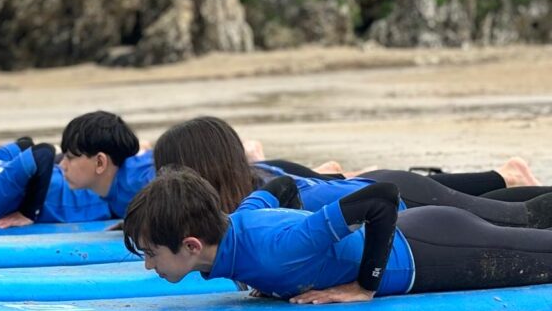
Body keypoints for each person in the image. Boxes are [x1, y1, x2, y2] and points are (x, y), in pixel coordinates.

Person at [123, 166, 552, 305]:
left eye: (151, 253)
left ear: (192, 245)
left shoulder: (278, 250)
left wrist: (363, 285)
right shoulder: (238, 222)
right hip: (426, 236)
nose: (147, 265)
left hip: (437, 251)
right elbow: (276, 190)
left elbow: (381, 198)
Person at [153, 115, 552, 229]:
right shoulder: (241, 195)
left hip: (394, 193)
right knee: (490, 212)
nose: (162, 183)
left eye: (167, 171)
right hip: (382, 189)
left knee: (512, 217)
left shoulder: (261, 197)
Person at [58, 111, 153, 218]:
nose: (62, 165)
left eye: (70, 158)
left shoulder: (141, 180)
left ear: (100, 163)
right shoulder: (113, 191)